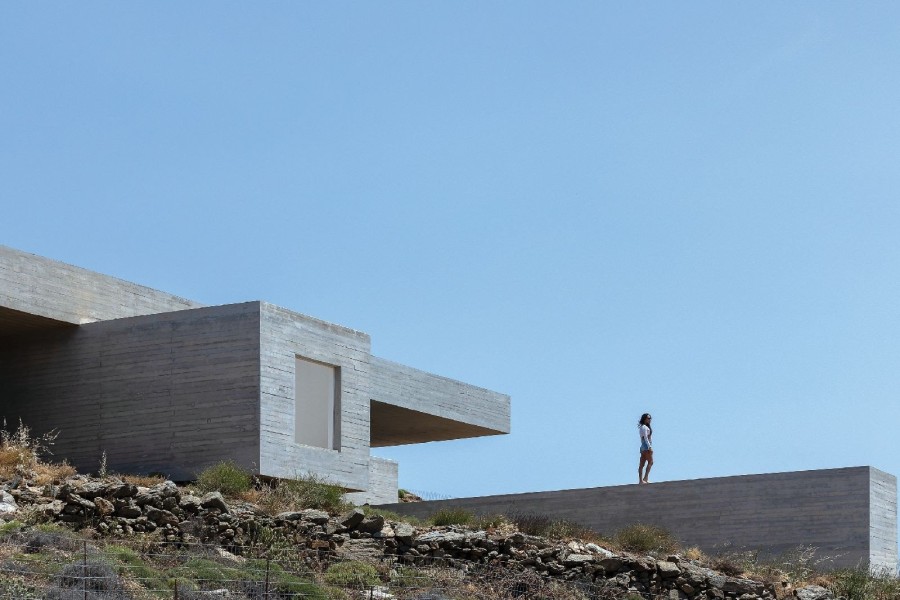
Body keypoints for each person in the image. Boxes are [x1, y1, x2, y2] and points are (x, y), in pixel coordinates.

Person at [638, 413, 653, 484]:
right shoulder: (644, 427)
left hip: (642, 447)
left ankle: (641, 480)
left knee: (642, 464)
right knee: (650, 462)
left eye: (650, 418)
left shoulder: (642, 427)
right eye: (648, 418)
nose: (650, 420)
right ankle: (645, 478)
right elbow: (646, 438)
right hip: (646, 446)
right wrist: (649, 446)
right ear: (645, 419)